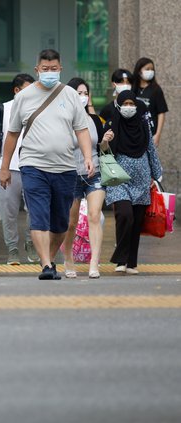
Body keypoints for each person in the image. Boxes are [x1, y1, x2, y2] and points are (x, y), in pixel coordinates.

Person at [0, 49, 94, 281]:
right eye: (45, 69)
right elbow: (12, 135)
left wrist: (88, 156)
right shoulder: (24, 97)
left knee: (61, 223)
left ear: (60, 69)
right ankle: (45, 265)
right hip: (33, 166)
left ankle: (49, 259)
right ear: (37, 70)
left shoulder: (70, 95)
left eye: (53, 69)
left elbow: (81, 129)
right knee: (39, 216)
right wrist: (4, 166)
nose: (49, 73)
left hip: (65, 167)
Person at [105, 91, 162, 275]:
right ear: (119, 105)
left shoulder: (143, 125)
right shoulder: (113, 124)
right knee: (124, 215)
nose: (129, 107)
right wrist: (106, 141)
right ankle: (120, 258)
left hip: (142, 180)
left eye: (132, 103)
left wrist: (157, 175)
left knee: (136, 222)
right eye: (125, 103)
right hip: (119, 179)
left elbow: (151, 150)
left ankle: (131, 263)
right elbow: (104, 151)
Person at [0, 73, 39, 265]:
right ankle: (12, 248)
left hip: (34, 167)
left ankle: (31, 242)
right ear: (16, 90)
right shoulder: (2, 110)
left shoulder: (38, 107)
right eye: (27, 89)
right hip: (9, 168)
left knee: (35, 209)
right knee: (8, 211)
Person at [61, 77, 113, 279]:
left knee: (94, 216)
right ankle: (68, 258)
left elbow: (102, 149)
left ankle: (94, 263)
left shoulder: (93, 120)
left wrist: (106, 142)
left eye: (85, 93)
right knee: (71, 222)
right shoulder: (64, 120)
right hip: (71, 175)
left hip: (95, 174)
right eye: (78, 93)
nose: (82, 97)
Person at [132, 57, 168, 148]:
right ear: (139, 71)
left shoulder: (156, 89)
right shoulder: (133, 88)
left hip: (150, 131)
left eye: (152, 69)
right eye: (147, 69)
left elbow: (161, 113)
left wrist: (158, 134)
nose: (150, 71)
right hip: (133, 131)